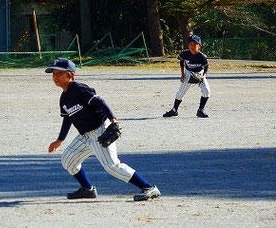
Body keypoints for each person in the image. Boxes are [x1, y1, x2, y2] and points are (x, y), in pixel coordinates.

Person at [46, 57, 160, 201]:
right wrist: (60, 140)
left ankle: (148, 187)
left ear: (71, 75)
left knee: (112, 166)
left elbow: (99, 102)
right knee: (68, 160)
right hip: (85, 136)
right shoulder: (64, 97)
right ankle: (87, 189)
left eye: (59, 73)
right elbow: (68, 118)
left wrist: (113, 119)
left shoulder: (79, 89)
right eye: (54, 73)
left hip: (100, 130)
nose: (55, 76)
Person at [163, 35, 211, 118]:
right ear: (188, 45)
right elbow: (181, 62)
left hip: (199, 74)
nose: (192, 46)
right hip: (188, 72)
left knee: (207, 91)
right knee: (180, 92)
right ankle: (174, 110)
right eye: (190, 44)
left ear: (199, 46)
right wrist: (182, 75)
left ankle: (201, 110)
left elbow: (206, 67)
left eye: (195, 44)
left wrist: (204, 76)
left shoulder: (202, 57)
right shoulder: (185, 53)